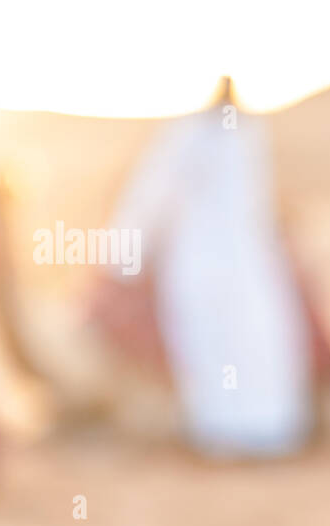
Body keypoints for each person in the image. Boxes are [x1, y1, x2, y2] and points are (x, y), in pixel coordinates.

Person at [111, 76, 313, 457]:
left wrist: (123, 255)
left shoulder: (202, 134)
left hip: (209, 261)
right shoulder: (245, 134)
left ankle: (233, 431)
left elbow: (152, 194)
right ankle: (254, 428)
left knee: (219, 342)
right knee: (241, 340)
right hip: (245, 260)